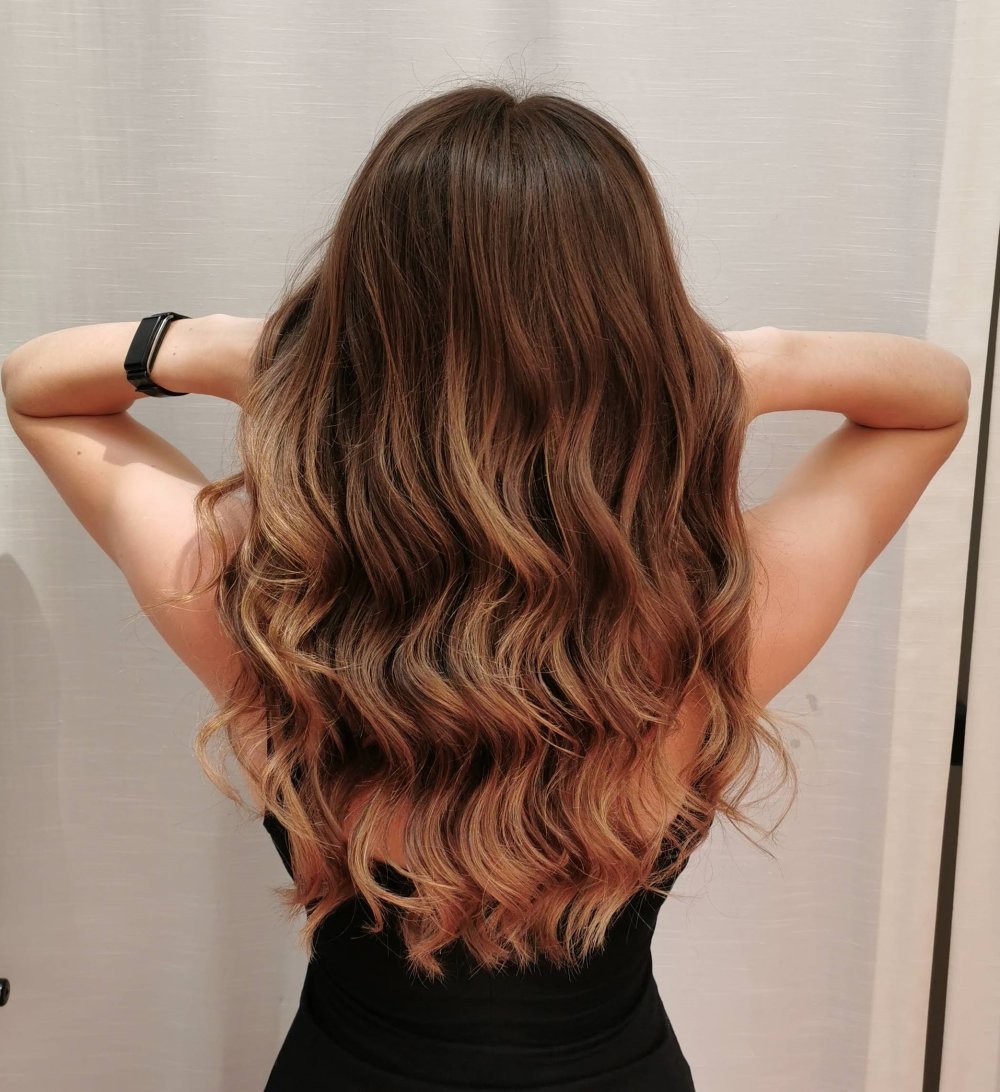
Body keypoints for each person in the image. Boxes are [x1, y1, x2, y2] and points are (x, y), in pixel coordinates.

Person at [2, 78, 971, 1091]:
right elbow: (935, 395)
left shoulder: (261, 593)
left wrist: (261, 353)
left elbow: (40, 386)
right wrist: (733, 365)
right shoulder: (724, 606)